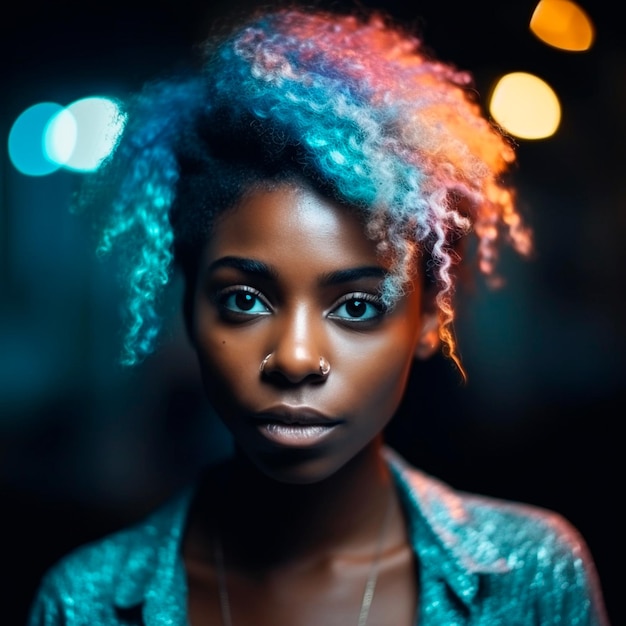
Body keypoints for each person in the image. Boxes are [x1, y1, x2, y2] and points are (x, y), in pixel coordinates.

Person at [27, 3, 609, 625]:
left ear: (429, 320)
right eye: (244, 300)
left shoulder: (534, 579)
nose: (298, 358)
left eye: (357, 306)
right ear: (190, 309)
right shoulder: (86, 602)